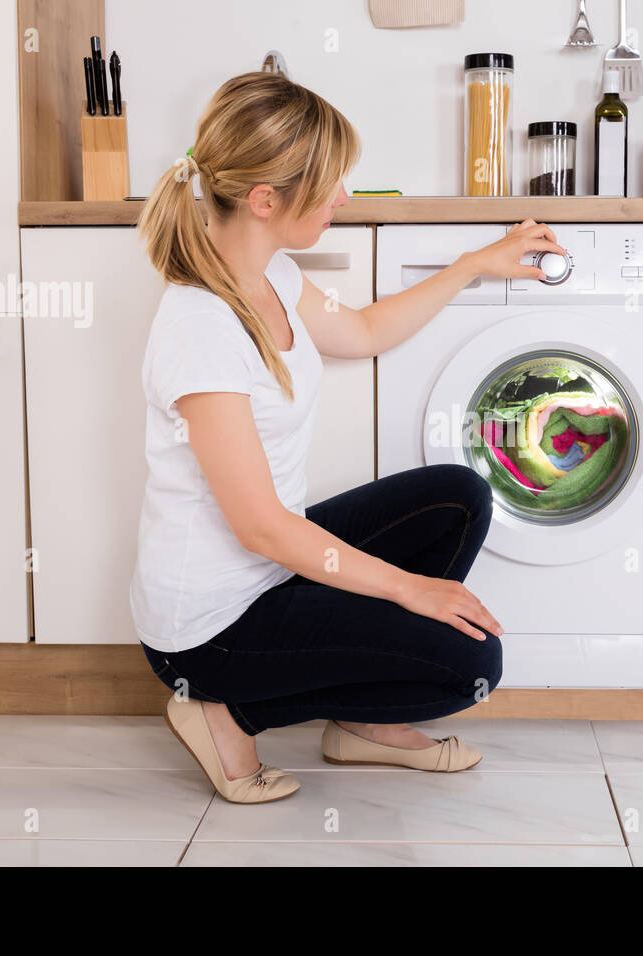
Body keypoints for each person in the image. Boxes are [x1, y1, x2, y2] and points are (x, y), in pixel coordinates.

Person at [130, 71, 567, 803]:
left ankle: (363, 725)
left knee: (457, 497)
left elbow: (362, 330)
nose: (343, 199)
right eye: (331, 185)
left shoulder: (274, 272)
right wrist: (411, 590)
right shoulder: (199, 329)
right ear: (266, 200)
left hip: (266, 572)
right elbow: (263, 527)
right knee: (472, 666)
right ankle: (220, 707)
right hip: (210, 627)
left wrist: (470, 267)